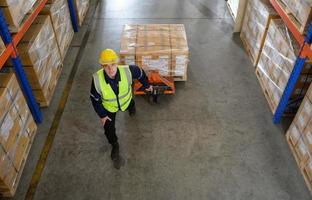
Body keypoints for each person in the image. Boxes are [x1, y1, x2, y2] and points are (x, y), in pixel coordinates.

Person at [90, 49, 152, 166]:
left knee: (130, 104)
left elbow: (140, 73)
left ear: (117, 63)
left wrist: (146, 85)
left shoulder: (128, 71)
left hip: (126, 101)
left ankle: (131, 107)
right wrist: (102, 115)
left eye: (113, 64)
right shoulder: (97, 80)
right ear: (102, 66)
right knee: (108, 129)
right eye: (106, 66)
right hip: (109, 108)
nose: (110, 69)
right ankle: (114, 144)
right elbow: (94, 99)